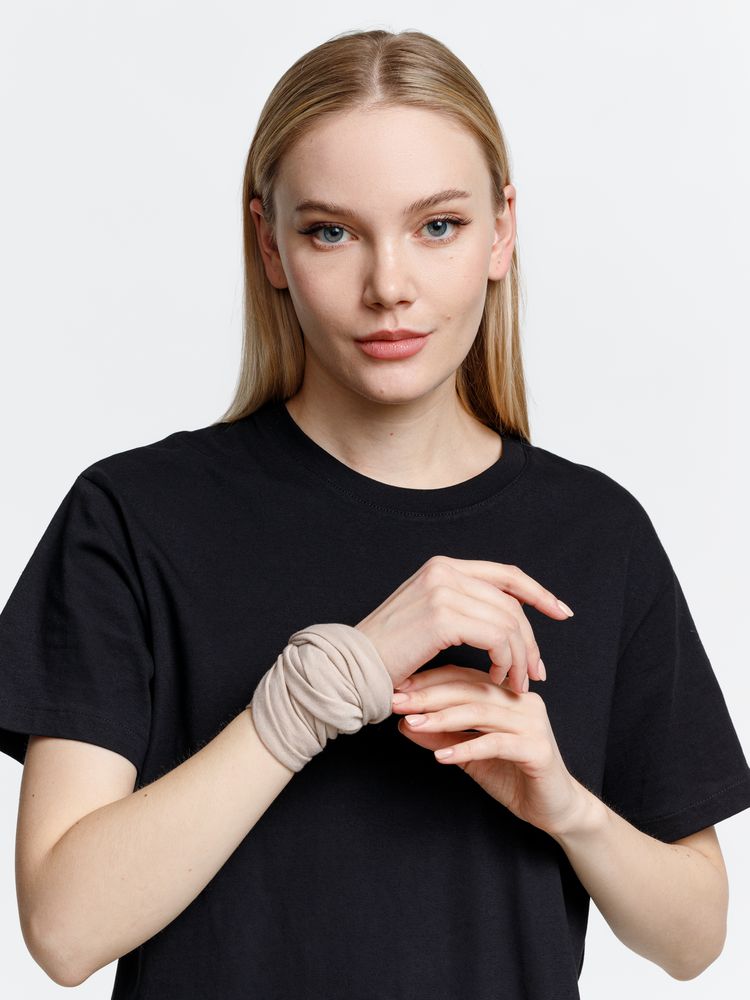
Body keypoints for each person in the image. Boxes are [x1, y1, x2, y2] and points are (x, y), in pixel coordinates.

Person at [1, 27, 748, 1000]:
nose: (388, 285)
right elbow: (63, 930)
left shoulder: (598, 533)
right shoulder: (134, 519)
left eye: (437, 225)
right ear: (269, 243)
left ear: (501, 232)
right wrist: (316, 693)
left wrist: (567, 806)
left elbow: (695, 937)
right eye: (331, 231)